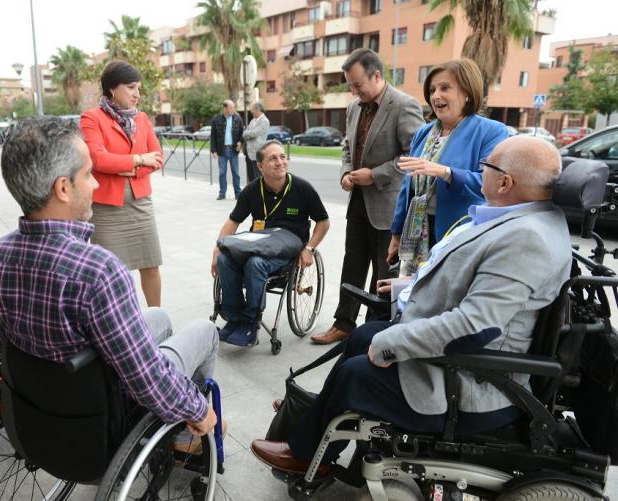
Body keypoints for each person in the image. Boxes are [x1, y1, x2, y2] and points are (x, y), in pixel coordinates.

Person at [251, 136, 572, 476]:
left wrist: (393, 345)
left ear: (505, 182)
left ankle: (307, 453)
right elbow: (472, 285)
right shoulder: (526, 219)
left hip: (476, 382)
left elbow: (477, 327)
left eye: (485, 167)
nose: (480, 173)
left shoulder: (527, 239)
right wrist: (408, 287)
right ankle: (319, 422)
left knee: (356, 372)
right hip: (461, 357)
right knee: (362, 336)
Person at [0, 116, 219, 437]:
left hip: (39, 398)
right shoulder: (97, 271)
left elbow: (4, 342)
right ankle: (187, 436)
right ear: (63, 188)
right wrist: (200, 410)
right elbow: (147, 378)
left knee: (158, 316)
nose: (96, 184)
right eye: (88, 175)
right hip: (105, 407)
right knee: (205, 332)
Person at [311, 48, 425, 346]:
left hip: (388, 205)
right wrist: (347, 173)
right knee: (353, 265)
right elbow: (347, 146)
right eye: (350, 85)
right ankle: (343, 324)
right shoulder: (354, 107)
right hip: (358, 202)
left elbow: (414, 157)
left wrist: (374, 174)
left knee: (383, 271)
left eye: (358, 84)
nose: (354, 91)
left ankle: (374, 332)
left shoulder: (404, 105)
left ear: (376, 75)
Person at [388, 59, 508, 276]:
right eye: (432, 90)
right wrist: (396, 233)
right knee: (413, 295)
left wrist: (445, 172)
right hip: (416, 231)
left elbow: (489, 183)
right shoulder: (423, 134)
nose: (435, 96)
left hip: (459, 233)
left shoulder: (491, 131)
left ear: (467, 92)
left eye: (445, 88)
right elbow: (408, 187)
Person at [211, 140, 330, 347]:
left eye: (283, 157)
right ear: (260, 166)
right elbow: (233, 221)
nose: (280, 162)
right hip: (259, 242)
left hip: (287, 250)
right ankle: (233, 318)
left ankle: (250, 321)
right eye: (272, 158)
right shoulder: (251, 190)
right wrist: (216, 250)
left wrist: (309, 248)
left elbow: (323, 222)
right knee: (225, 259)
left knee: (255, 263)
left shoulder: (302, 188)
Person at [80, 61, 164, 307]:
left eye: (138, 88)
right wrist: (137, 160)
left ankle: (157, 319)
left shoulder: (143, 118)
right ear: (112, 89)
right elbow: (97, 158)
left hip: (141, 205)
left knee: (151, 265)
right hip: (107, 210)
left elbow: (157, 157)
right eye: (131, 87)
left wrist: (125, 168)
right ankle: (126, 324)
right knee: (115, 274)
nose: (137, 94)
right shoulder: (91, 118)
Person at [210, 100, 244, 200]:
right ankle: (222, 193)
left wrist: (241, 142)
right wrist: (213, 150)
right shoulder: (216, 120)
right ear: (225, 108)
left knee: (236, 173)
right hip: (222, 150)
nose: (233, 109)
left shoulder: (238, 119)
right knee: (222, 173)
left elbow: (242, 133)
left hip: (233, 150)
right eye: (231, 107)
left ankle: (238, 193)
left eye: (233, 107)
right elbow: (213, 136)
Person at [242, 101, 270, 183]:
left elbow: (254, 133)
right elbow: (245, 132)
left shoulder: (265, 121)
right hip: (248, 152)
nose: (252, 111)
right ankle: (250, 193)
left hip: (257, 151)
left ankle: (259, 194)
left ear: (258, 110)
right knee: (250, 176)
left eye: (253, 110)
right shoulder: (253, 121)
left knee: (257, 176)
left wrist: (247, 133)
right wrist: (247, 133)